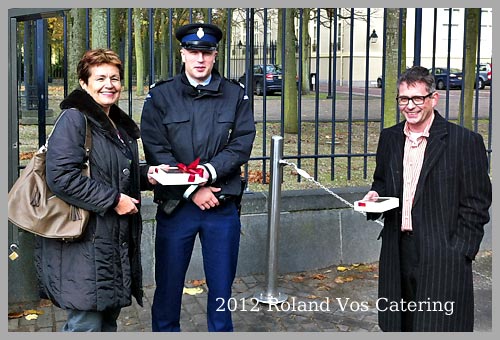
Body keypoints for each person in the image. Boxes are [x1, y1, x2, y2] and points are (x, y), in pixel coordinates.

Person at [34, 48, 164, 332]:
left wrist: (147, 175)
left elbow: (112, 171)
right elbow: (62, 177)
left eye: (115, 78)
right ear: (84, 83)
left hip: (110, 244)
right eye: (101, 77)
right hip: (84, 245)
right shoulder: (74, 119)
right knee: (86, 325)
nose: (109, 85)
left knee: (106, 322)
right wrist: (114, 200)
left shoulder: (114, 122)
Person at [140, 23, 256, 332]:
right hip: (177, 207)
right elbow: (156, 149)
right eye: (193, 52)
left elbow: (242, 143)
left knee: (221, 289)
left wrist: (207, 172)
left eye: (206, 53)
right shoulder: (161, 96)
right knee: (168, 288)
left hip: (221, 204)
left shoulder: (236, 94)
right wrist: (193, 189)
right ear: (183, 54)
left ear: (216, 55)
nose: (200, 59)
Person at [363, 66, 491, 331]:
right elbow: (382, 181)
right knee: (401, 323)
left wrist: (460, 252)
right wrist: (375, 197)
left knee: (439, 325)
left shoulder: (464, 142)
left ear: (433, 98)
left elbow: (477, 204)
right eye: (403, 99)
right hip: (398, 250)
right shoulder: (389, 138)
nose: (410, 106)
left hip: (443, 253)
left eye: (417, 98)